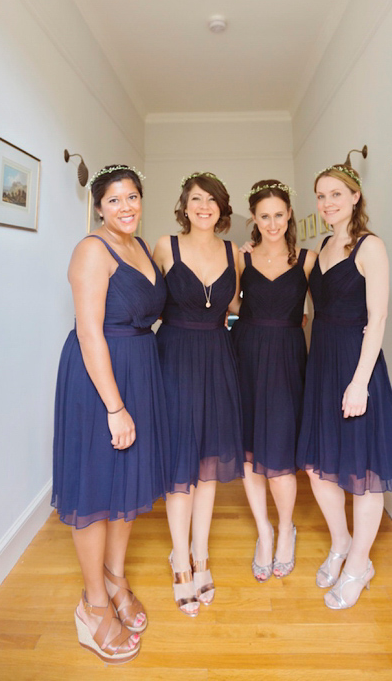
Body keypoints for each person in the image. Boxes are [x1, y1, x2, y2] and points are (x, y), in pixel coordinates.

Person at [52, 164, 167, 664]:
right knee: (98, 487)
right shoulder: (90, 250)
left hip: (140, 366)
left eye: (133, 197)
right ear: (99, 206)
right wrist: (115, 407)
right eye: (115, 200)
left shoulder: (139, 247)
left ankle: (116, 578)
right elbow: (89, 332)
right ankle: (94, 604)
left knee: (126, 484)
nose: (126, 207)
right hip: (100, 378)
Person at [296, 164, 392, 610]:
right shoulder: (321, 246)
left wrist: (360, 382)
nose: (327, 203)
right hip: (322, 362)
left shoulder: (371, 246)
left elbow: (377, 318)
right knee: (316, 466)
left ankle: (360, 564)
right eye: (321, 196)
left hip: (357, 366)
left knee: (362, 474)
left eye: (336, 194)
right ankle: (342, 543)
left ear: (355, 197)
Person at [153, 172, 244, 616]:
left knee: (208, 465)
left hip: (217, 357)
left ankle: (201, 553)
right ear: (184, 206)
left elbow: (243, 306)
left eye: (212, 200)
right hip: (173, 359)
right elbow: (141, 300)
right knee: (180, 465)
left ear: (222, 209)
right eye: (196, 199)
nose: (204, 206)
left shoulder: (234, 253)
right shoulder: (163, 246)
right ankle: (180, 559)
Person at [230, 180, 315, 582]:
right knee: (249, 451)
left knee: (279, 451)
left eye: (279, 214)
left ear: (289, 216)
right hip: (245, 352)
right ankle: (263, 531)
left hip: (286, 357)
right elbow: (228, 305)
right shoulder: (241, 259)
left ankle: (285, 530)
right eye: (264, 216)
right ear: (254, 219)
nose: (272, 222)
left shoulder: (308, 259)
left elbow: (323, 310)